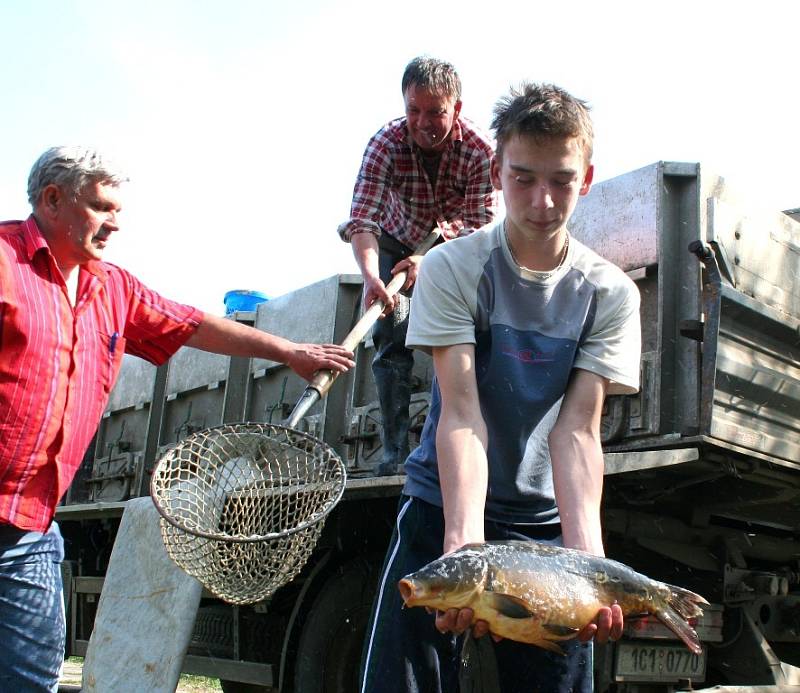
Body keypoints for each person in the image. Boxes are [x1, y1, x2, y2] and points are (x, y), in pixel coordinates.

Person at [0, 146, 354, 692]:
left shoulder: (112, 288)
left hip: (28, 526)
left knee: (29, 678)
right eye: (102, 207)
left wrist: (288, 351)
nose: (115, 223)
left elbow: (191, 325)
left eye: (118, 209)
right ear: (52, 200)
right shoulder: (5, 261)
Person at [360, 83, 642, 692]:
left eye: (561, 181)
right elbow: (461, 417)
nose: (542, 200)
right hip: (443, 514)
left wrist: (586, 564)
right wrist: (464, 555)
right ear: (495, 171)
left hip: (544, 529)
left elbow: (577, 432)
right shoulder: (451, 268)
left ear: (587, 178)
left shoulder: (612, 293)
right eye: (523, 178)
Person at [338, 56, 498, 476]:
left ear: (456, 109)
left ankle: (467, 444)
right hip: (393, 239)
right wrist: (373, 276)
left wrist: (430, 257)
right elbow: (363, 219)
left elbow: (482, 221)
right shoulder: (386, 143)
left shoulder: (481, 150)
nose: (422, 121)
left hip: (455, 243)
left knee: (470, 329)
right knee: (391, 332)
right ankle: (393, 454)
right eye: (414, 110)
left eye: (435, 112)